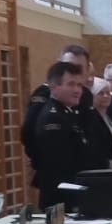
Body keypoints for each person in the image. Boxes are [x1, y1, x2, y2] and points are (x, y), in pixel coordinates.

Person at [22, 42, 91, 164]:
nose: (73, 70)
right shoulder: (45, 92)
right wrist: (40, 161)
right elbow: (28, 130)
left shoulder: (85, 94)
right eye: (68, 65)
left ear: (87, 69)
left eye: (78, 67)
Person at [31, 62, 89, 207]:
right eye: (71, 84)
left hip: (71, 191)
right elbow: (57, 166)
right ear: (53, 87)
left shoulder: (67, 113)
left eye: (79, 85)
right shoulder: (53, 117)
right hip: (61, 197)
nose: (77, 90)